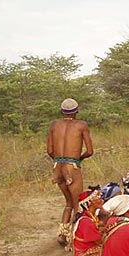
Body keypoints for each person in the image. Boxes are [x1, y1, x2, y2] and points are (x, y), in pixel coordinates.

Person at [47, 98, 94, 247]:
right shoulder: (81, 125)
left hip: (57, 167)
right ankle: (75, 239)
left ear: (62, 112)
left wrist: (60, 161)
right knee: (77, 204)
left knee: (68, 202)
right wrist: (77, 159)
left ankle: (62, 233)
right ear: (77, 111)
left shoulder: (54, 125)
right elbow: (90, 151)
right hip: (72, 167)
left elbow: (49, 150)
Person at [72, 188, 104, 256]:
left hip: (87, 250)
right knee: (108, 249)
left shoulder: (91, 216)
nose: (101, 200)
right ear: (91, 202)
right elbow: (98, 241)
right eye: (98, 198)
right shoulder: (86, 221)